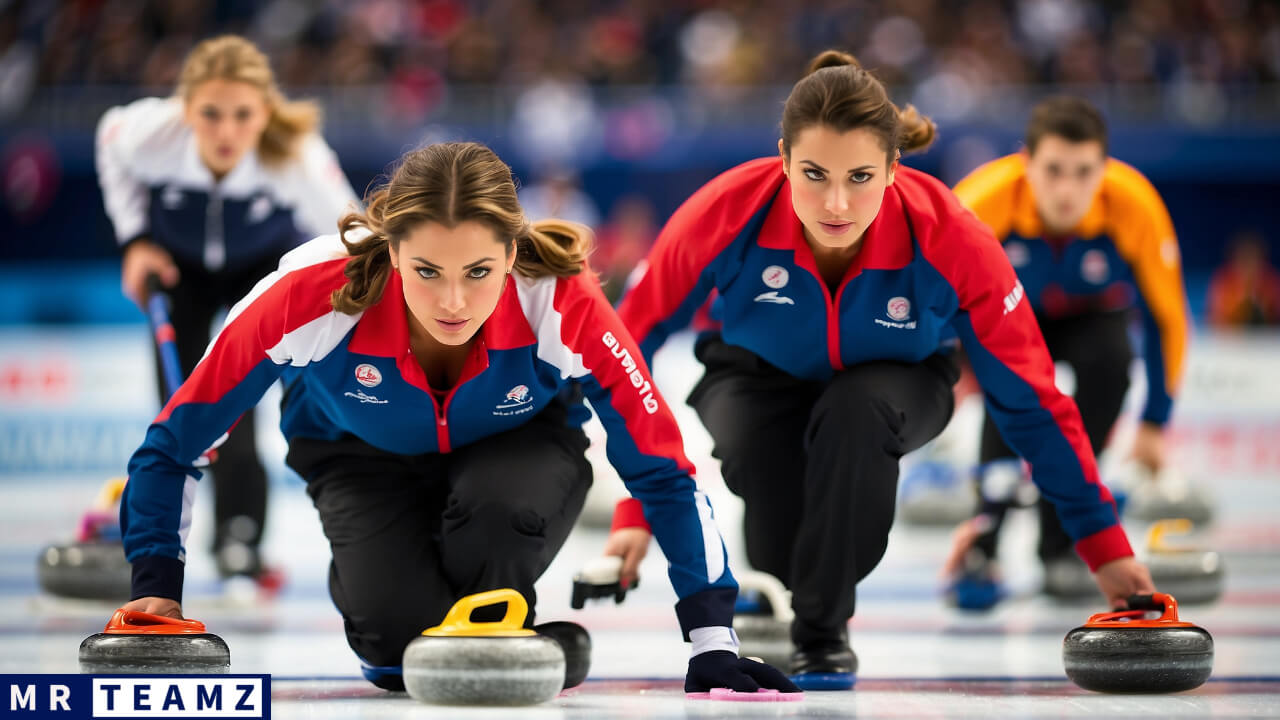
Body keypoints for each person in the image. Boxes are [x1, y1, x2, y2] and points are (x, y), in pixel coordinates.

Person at [116, 141, 799, 696]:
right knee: (395, 660)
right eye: (425, 272)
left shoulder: (561, 300)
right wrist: (157, 593)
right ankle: (400, 593)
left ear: (512, 253)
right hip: (358, 457)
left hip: (520, 450)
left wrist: (712, 638)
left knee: (496, 523)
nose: (452, 302)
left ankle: (496, 606)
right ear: (389, 253)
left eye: (478, 272)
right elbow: (173, 445)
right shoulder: (305, 295)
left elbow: (661, 466)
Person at [599, 51, 1154, 688]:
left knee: (855, 413)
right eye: (813, 174)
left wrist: (1103, 544)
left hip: (900, 378)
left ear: (893, 168)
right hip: (753, 375)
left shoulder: (952, 236)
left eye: (860, 176)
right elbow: (625, 346)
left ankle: (822, 633)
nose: (836, 203)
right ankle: (793, 580)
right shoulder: (726, 212)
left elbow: (1030, 398)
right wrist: (641, 508)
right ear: (783, 159)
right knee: (778, 539)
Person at [95, 35, 359, 586]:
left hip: (257, 269)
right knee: (180, 403)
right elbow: (108, 142)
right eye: (210, 114)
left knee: (234, 404)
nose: (225, 132)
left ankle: (241, 536)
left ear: (264, 113)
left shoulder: (297, 154)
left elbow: (354, 232)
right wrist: (136, 240)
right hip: (178, 271)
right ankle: (161, 546)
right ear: (186, 109)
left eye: (242, 116)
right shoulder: (149, 135)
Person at [946, 96, 1190, 601]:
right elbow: (931, 299)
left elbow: (1167, 320)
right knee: (1009, 392)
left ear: (1104, 169)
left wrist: (1154, 423)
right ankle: (983, 543)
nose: (1067, 189)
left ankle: (1061, 545)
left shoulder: (1135, 205)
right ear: (1026, 164)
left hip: (1093, 318)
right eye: (1053, 170)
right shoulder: (979, 203)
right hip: (1010, 316)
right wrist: (946, 372)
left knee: (1113, 366)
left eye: (1083, 172)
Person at [1207, 230, 1280, 328]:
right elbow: (1214, 319)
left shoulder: (1271, 282)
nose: (1248, 264)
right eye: (1244, 258)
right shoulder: (1223, 282)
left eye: (1252, 258)